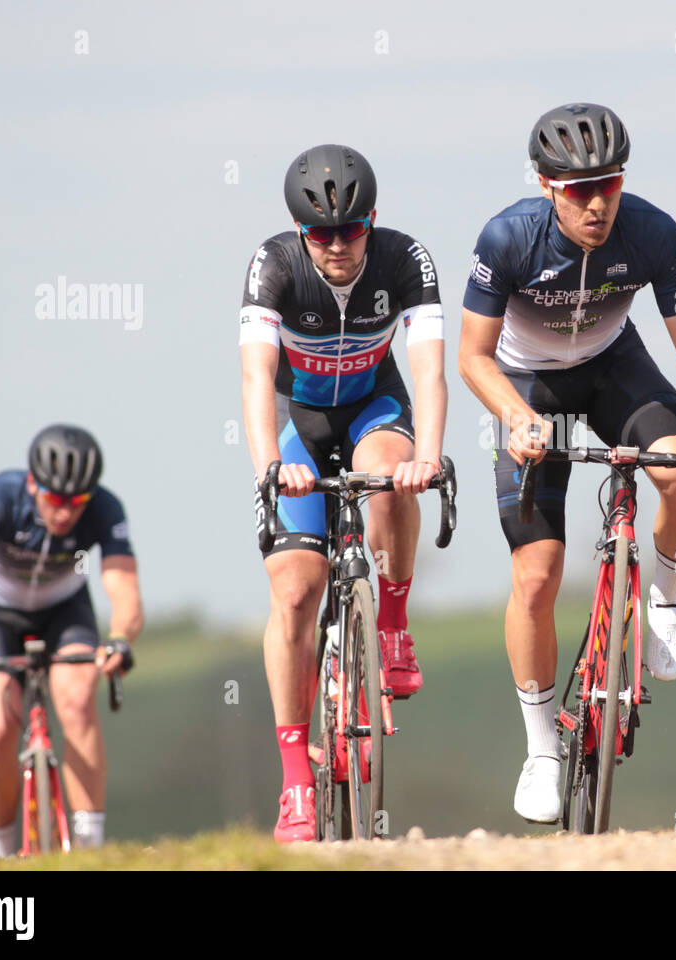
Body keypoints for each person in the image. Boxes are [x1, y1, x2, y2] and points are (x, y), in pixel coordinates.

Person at [458, 103, 676, 823]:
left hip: (614, 367)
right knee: (537, 574)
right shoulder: (507, 238)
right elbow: (472, 357)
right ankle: (541, 748)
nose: (597, 203)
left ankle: (666, 598)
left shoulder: (652, 231)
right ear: (546, 186)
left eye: (609, 185)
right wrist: (518, 419)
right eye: (578, 189)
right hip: (530, 387)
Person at [239, 144, 447, 842]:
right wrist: (272, 466)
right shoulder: (274, 265)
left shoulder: (404, 260)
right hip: (299, 426)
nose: (336, 245)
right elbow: (254, 378)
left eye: (349, 230)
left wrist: (433, 457)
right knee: (296, 592)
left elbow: (429, 372)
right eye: (321, 234)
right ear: (302, 234)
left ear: (372, 222)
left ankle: (391, 624)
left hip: (372, 410)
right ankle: (297, 779)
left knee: (392, 475)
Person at [0, 424, 141, 856]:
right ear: (33, 484)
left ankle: (89, 851)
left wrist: (120, 639)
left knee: (77, 700)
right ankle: (2, 852)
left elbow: (124, 589)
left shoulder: (106, 508)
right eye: (55, 499)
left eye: (77, 501)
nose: (66, 512)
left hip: (65, 610)